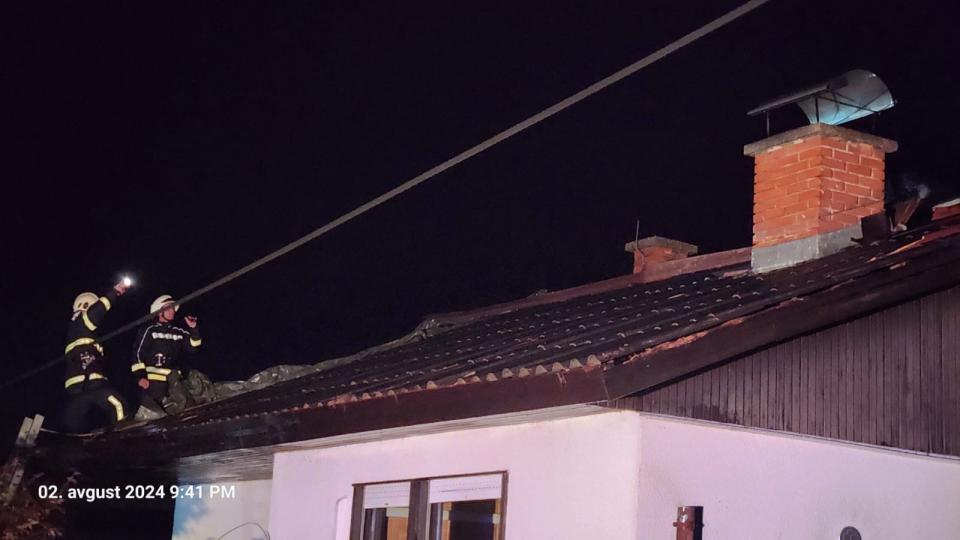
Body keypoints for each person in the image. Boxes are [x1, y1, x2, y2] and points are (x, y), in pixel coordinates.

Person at [63, 279, 130, 433]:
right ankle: (123, 432)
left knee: (74, 416)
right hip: (90, 381)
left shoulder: (74, 329)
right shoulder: (82, 321)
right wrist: (116, 292)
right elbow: (98, 310)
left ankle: (68, 437)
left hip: (75, 385)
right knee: (118, 404)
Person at [131, 295, 202, 414]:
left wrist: (194, 329)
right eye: (168, 308)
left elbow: (193, 347)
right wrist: (140, 376)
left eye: (173, 308)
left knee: (187, 409)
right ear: (159, 311)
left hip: (174, 380)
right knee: (159, 415)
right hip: (154, 382)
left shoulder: (178, 331)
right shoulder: (149, 330)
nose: (172, 311)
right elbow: (137, 353)